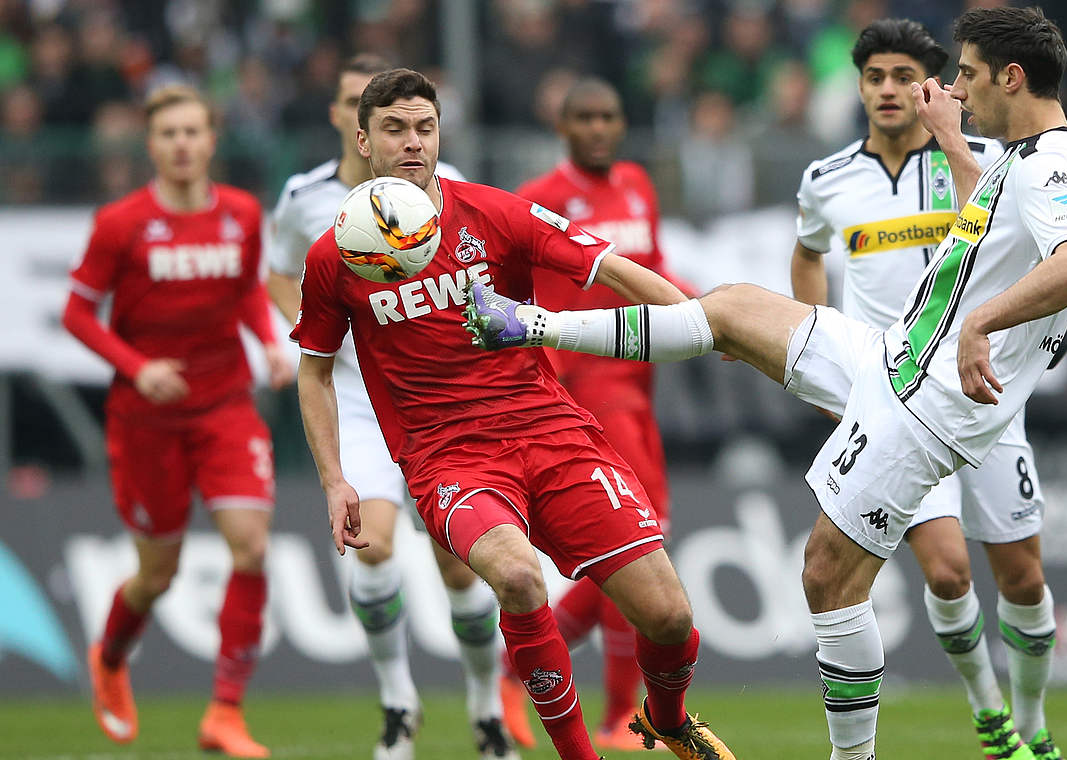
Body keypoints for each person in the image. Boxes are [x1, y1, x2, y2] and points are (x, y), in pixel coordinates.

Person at [464, 8, 1067, 760]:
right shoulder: (1013, 159)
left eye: (965, 72)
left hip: (927, 405)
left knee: (827, 574)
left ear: (1011, 77)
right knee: (731, 309)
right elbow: (988, 226)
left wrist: (977, 324)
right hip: (887, 352)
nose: (953, 87)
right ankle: (528, 324)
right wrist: (958, 145)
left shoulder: (1052, 162)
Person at [292, 68, 736, 760]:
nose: (412, 142)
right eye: (394, 129)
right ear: (363, 138)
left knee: (670, 616)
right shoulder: (335, 256)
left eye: (424, 128)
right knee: (519, 576)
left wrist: (702, 322)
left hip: (553, 431)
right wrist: (335, 479)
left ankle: (667, 718)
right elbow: (314, 370)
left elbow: (613, 267)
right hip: (449, 457)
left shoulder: (497, 213)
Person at [791, 19, 1066, 760]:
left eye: (904, 76)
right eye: (874, 75)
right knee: (947, 571)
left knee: (1023, 576)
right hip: (898, 392)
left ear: (938, 85)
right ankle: (989, 714)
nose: (888, 89)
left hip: (986, 390)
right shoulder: (827, 179)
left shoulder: (985, 160)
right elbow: (808, 254)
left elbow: (1038, 253)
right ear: (858, 84)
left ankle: (1034, 718)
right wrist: (825, 351)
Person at [264, 54, 513, 760]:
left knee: (461, 566)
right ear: (351, 120)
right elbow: (283, 273)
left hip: (439, 397)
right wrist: (308, 335)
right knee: (371, 545)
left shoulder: (454, 189)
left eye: (420, 124)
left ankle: (484, 706)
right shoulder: (306, 197)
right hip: (357, 395)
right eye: (352, 104)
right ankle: (399, 701)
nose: (360, 117)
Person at [66, 84, 293, 759]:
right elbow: (77, 315)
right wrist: (137, 368)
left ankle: (225, 712)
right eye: (169, 134)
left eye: (193, 131)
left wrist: (269, 342)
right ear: (151, 145)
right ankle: (110, 655)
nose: (183, 144)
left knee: (251, 546)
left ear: (212, 138)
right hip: (145, 421)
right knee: (156, 575)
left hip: (225, 407)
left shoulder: (243, 213)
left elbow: (248, 288)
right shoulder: (121, 224)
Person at [495, 77, 690, 753]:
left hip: (639, 383)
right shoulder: (539, 199)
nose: (600, 127)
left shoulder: (638, 183)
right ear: (564, 127)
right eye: (586, 117)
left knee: (639, 544)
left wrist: (711, 319)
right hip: (585, 386)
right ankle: (607, 711)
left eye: (609, 115)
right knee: (635, 544)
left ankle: (589, 703)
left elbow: (654, 272)